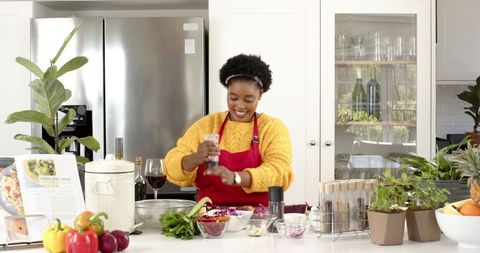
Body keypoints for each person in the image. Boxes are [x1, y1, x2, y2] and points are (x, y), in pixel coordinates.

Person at [164, 54, 294, 206]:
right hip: (210, 220)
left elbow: (280, 172)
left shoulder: (272, 128)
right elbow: (170, 165)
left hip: (259, 221)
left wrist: (237, 178)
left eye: (248, 100)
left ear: (260, 95)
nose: (240, 106)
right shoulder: (206, 125)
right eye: (233, 98)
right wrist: (195, 158)